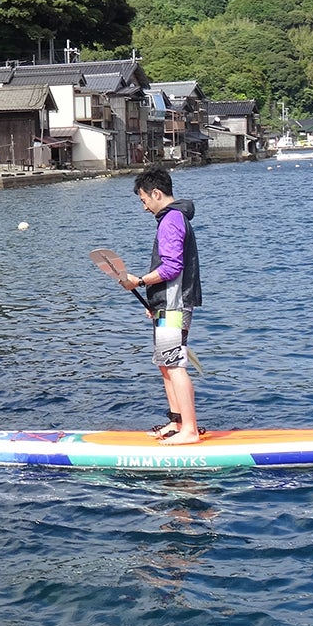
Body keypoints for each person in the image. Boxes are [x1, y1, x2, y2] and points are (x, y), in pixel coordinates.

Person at [119, 166, 203, 445]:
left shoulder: (171, 220)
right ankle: (177, 422)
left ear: (156, 193)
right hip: (167, 303)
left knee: (174, 364)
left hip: (175, 304)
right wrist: (155, 301)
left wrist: (140, 281)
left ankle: (189, 430)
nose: (144, 207)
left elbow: (171, 267)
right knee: (165, 364)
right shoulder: (174, 218)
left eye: (144, 200)